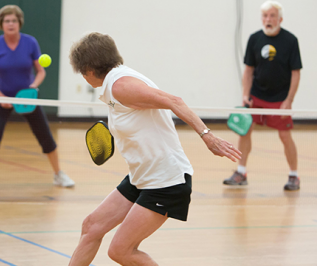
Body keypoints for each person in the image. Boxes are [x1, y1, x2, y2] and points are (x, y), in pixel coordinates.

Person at [68, 32, 241, 266]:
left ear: (89, 68)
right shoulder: (116, 83)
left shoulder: (121, 85)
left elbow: (175, 101)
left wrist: (207, 135)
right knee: (91, 227)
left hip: (166, 183)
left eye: (81, 72)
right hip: (142, 177)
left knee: (121, 250)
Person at [0, 5, 74, 190]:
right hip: (3, 97)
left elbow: (40, 72)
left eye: (14, 20)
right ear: (1, 24)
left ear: (19, 22)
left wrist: (32, 88)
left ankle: (58, 174)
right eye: (7, 21)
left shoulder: (30, 43)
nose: (10, 24)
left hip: (28, 98)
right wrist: (0, 97)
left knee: (45, 135)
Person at [223, 1, 302, 191]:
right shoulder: (254, 39)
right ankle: (241, 172)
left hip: (280, 99)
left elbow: (296, 72)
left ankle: (294, 176)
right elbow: (248, 70)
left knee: (284, 135)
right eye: (265, 16)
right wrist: (245, 94)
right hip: (256, 95)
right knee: (245, 131)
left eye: (272, 16)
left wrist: (289, 100)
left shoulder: (290, 41)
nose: (268, 20)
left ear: (280, 19)